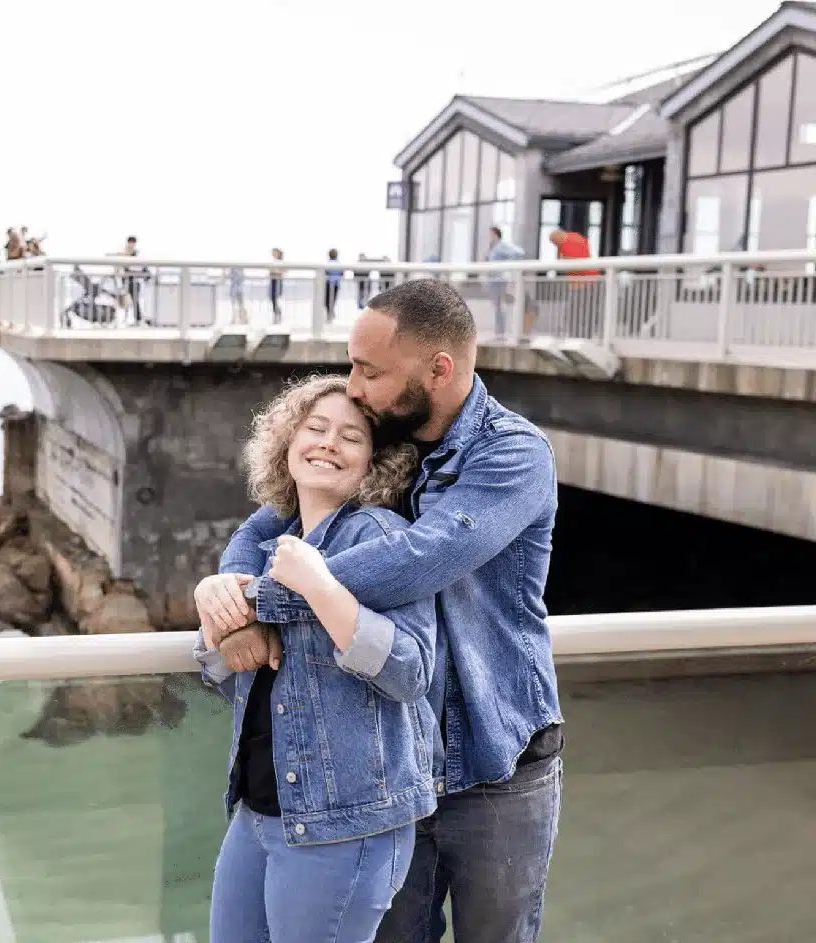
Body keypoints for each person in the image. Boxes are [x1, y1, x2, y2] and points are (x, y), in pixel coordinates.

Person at [196, 278, 563, 943]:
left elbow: (421, 558)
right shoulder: (378, 444)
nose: (354, 385)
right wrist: (220, 592)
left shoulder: (513, 454)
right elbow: (262, 529)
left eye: (370, 370)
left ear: (438, 370)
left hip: (497, 761)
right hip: (392, 768)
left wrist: (268, 599)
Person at [194, 374, 438, 943]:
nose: (329, 443)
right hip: (260, 810)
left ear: (376, 462)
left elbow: (411, 671)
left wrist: (322, 588)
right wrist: (214, 613)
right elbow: (231, 675)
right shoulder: (265, 542)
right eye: (316, 428)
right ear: (287, 441)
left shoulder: (379, 536)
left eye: (351, 437)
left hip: (343, 823)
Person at [486, 227, 525, 338]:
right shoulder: (493, 247)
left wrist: (508, 269)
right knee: (497, 306)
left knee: (500, 307)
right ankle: (499, 332)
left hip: (500, 281)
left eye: (490, 234)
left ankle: (501, 333)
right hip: (493, 280)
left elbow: (519, 252)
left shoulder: (501, 246)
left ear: (495, 234)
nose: (489, 237)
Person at [121, 235, 145, 325]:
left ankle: (137, 319)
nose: (131, 244)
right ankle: (127, 318)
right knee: (126, 299)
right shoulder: (125, 251)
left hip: (134, 279)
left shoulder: (137, 253)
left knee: (135, 299)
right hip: (127, 278)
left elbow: (138, 266)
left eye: (132, 242)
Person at [325, 249, 343, 322]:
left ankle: (330, 313)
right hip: (336, 284)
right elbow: (342, 273)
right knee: (333, 300)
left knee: (327, 301)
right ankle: (331, 313)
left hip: (329, 283)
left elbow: (325, 272)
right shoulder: (339, 264)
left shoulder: (328, 263)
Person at [269, 248, 285, 323]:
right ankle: (276, 313)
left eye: (274, 253)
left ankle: (278, 313)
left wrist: (276, 272)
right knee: (272, 298)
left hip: (277, 281)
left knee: (275, 297)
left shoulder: (281, 262)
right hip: (273, 281)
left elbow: (284, 271)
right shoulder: (274, 262)